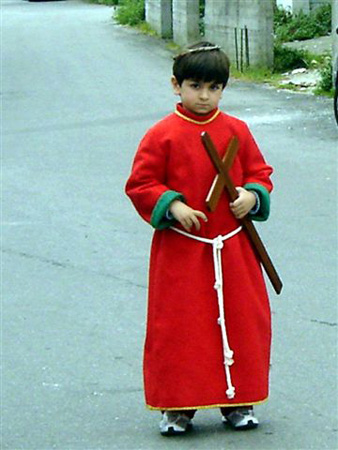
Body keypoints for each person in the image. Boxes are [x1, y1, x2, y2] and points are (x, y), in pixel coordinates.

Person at [125, 41, 274, 436]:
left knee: (243, 323)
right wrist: (172, 206)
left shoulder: (237, 130)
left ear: (223, 89)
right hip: (184, 251)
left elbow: (259, 174)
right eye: (195, 86)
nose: (204, 96)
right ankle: (178, 406)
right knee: (180, 328)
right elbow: (141, 184)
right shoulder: (162, 135)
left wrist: (250, 195)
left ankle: (238, 401)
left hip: (233, 247)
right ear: (176, 85)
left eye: (214, 87)